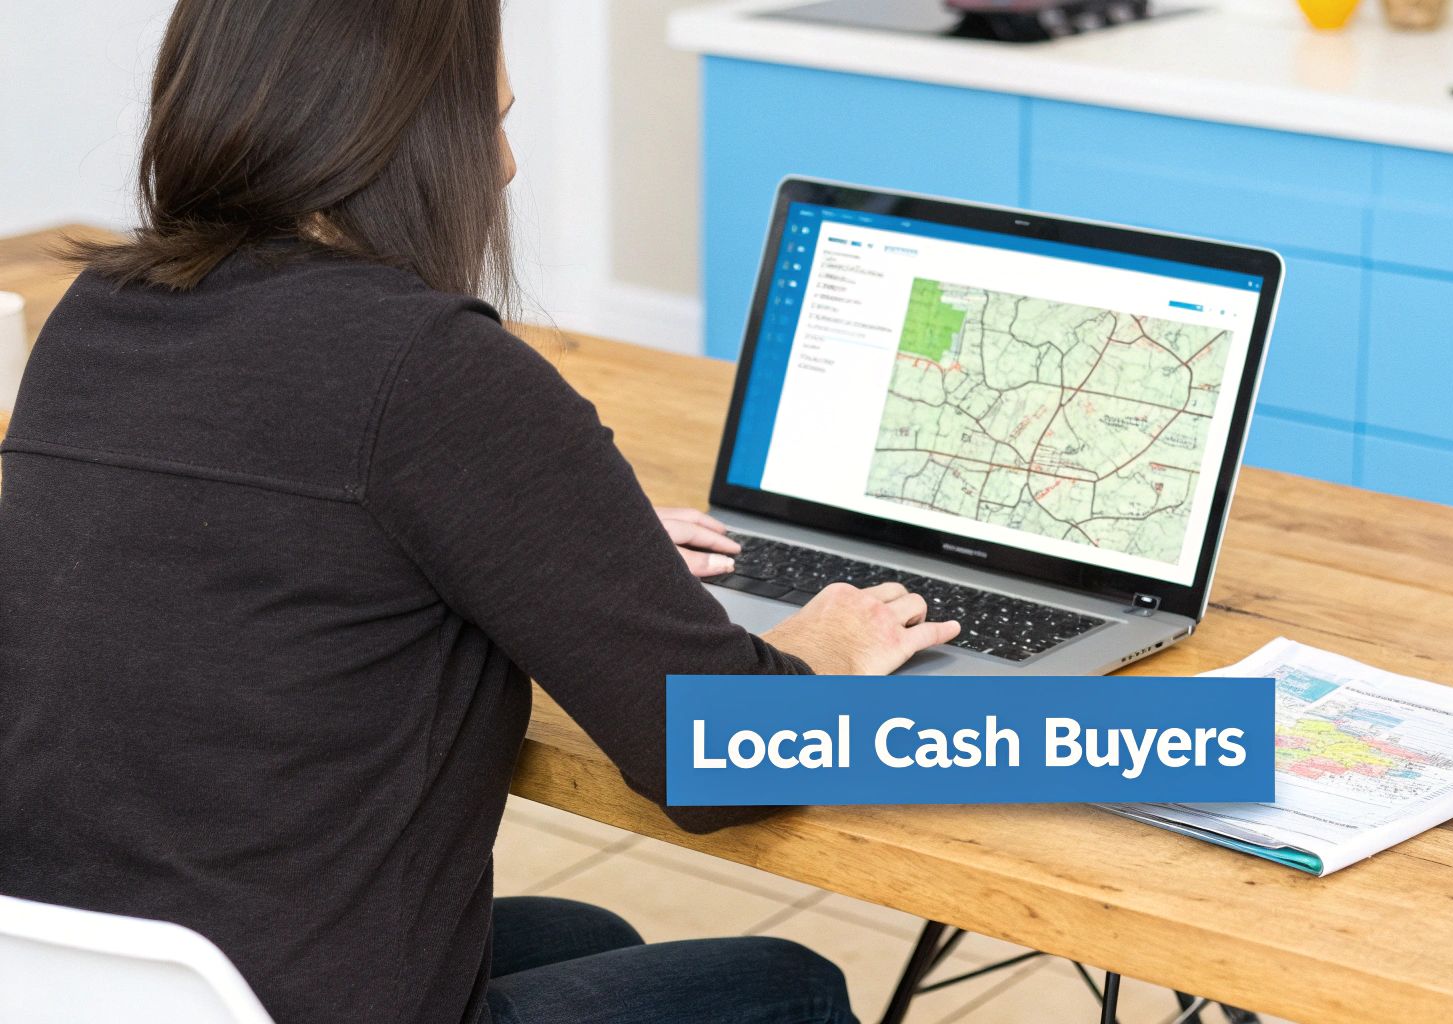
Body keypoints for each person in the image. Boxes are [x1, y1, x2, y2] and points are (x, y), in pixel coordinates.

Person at [0, 1, 959, 1022]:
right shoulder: (434, 371)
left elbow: (296, 536)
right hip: (289, 999)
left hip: (79, 978)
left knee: (592, 940)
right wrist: (827, 650)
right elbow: (711, 760)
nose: (502, 166)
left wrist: (569, 538)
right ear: (396, 142)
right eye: (488, 123)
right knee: (787, 988)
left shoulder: (97, 319)